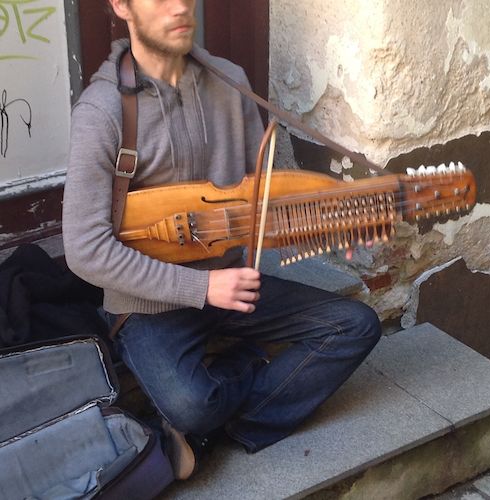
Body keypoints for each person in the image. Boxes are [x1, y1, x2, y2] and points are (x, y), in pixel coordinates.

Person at [63, 0, 381, 481]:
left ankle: (215, 431)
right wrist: (201, 290)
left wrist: (325, 226)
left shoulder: (230, 81)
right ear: (122, 6)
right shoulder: (102, 111)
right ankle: (225, 399)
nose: (180, 5)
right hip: (146, 304)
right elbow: (86, 250)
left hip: (232, 282)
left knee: (357, 325)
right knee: (193, 403)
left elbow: (261, 201)